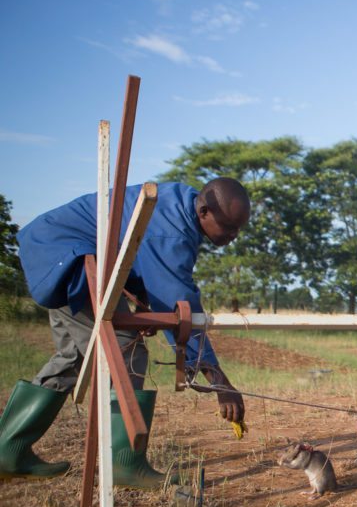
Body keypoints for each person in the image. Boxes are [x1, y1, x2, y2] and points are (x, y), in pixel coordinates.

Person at [0, 178, 250, 486]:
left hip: (55, 246)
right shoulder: (170, 230)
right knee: (125, 348)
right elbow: (180, 304)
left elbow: (143, 265)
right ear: (204, 211)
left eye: (239, 229)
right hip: (69, 256)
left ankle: (9, 449)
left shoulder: (180, 207)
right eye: (228, 227)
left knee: (77, 354)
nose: (233, 236)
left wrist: (146, 305)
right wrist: (218, 381)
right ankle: (125, 464)